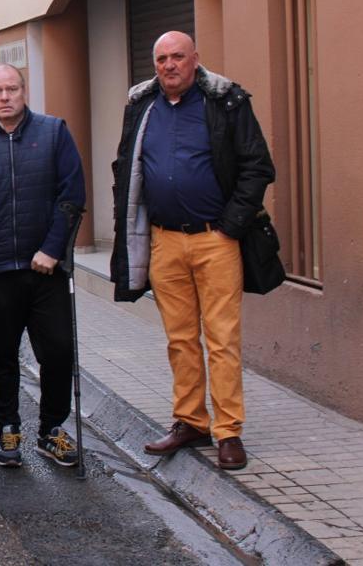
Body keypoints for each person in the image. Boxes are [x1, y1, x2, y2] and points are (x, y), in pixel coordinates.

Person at [111, 31, 274, 471]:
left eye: (177, 57)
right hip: (164, 240)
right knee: (180, 339)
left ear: (195, 59)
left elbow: (258, 167)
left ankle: (228, 431)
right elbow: (125, 165)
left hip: (215, 241)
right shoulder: (142, 105)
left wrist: (230, 227)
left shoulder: (226, 101)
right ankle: (190, 421)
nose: (169, 65)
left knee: (222, 340)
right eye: (161, 58)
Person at [0, 63, 86, 469]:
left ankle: (50, 429)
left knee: (59, 351)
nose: (5, 97)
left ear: (24, 91)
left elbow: (72, 195)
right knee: (3, 354)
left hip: (45, 269)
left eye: (12, 89)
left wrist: (52, 248)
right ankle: (8, 424)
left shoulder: (54, 132)